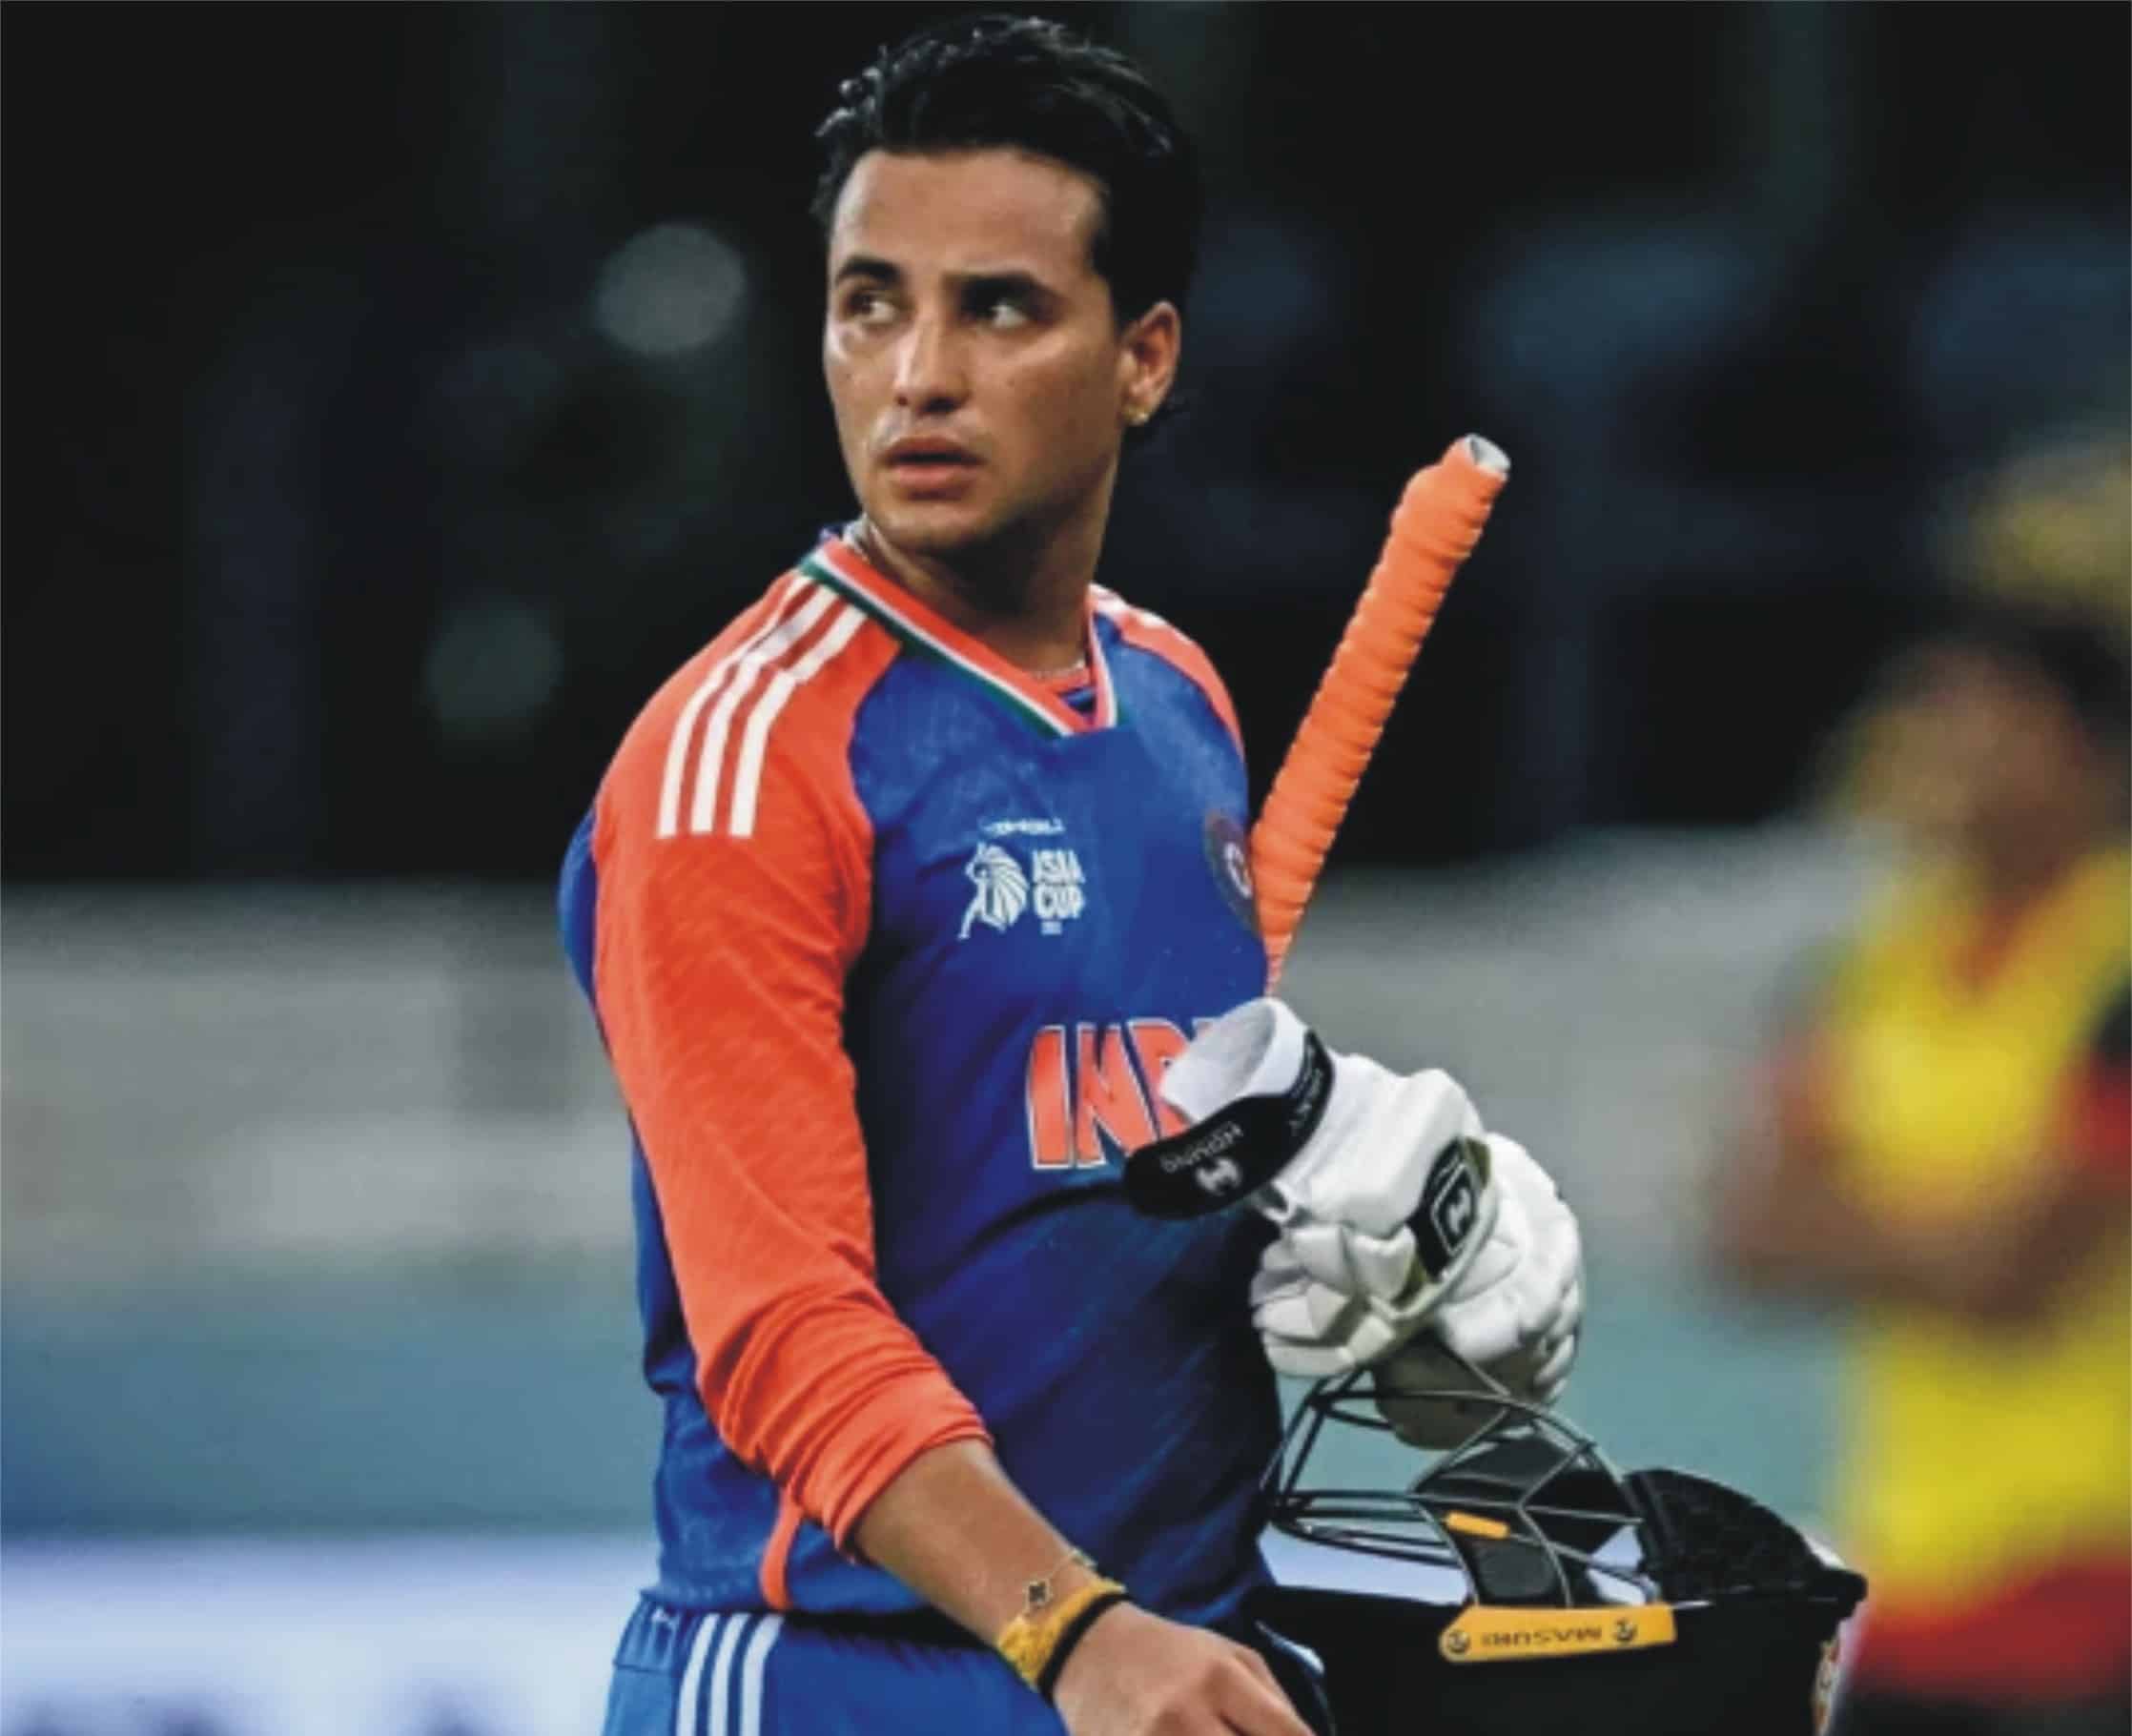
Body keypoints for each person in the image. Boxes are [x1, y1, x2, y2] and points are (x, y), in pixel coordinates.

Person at [559, 17, 1579, 1734]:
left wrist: (1390, 1268)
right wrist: (1079, 1631)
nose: (917, 374)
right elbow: (779, 1328)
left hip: (1172, 1663)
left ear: (1145, 357)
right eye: (870, 304)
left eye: (999, 309)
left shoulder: (1175, 701)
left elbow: (1139, 1180)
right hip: (844, 1678)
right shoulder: (740, 761)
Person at [1712, 589, 2130, 1736]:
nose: (1949, 748)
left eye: (1991, 716)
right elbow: (1746, 1234)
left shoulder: (2112, 965)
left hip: (2095, 1585)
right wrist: (1949, 1230)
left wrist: (1855, 1223)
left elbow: (2011, 1278)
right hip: (1916, 1572)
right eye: (1934, 713)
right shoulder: (1872, 965)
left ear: (2088, 752)